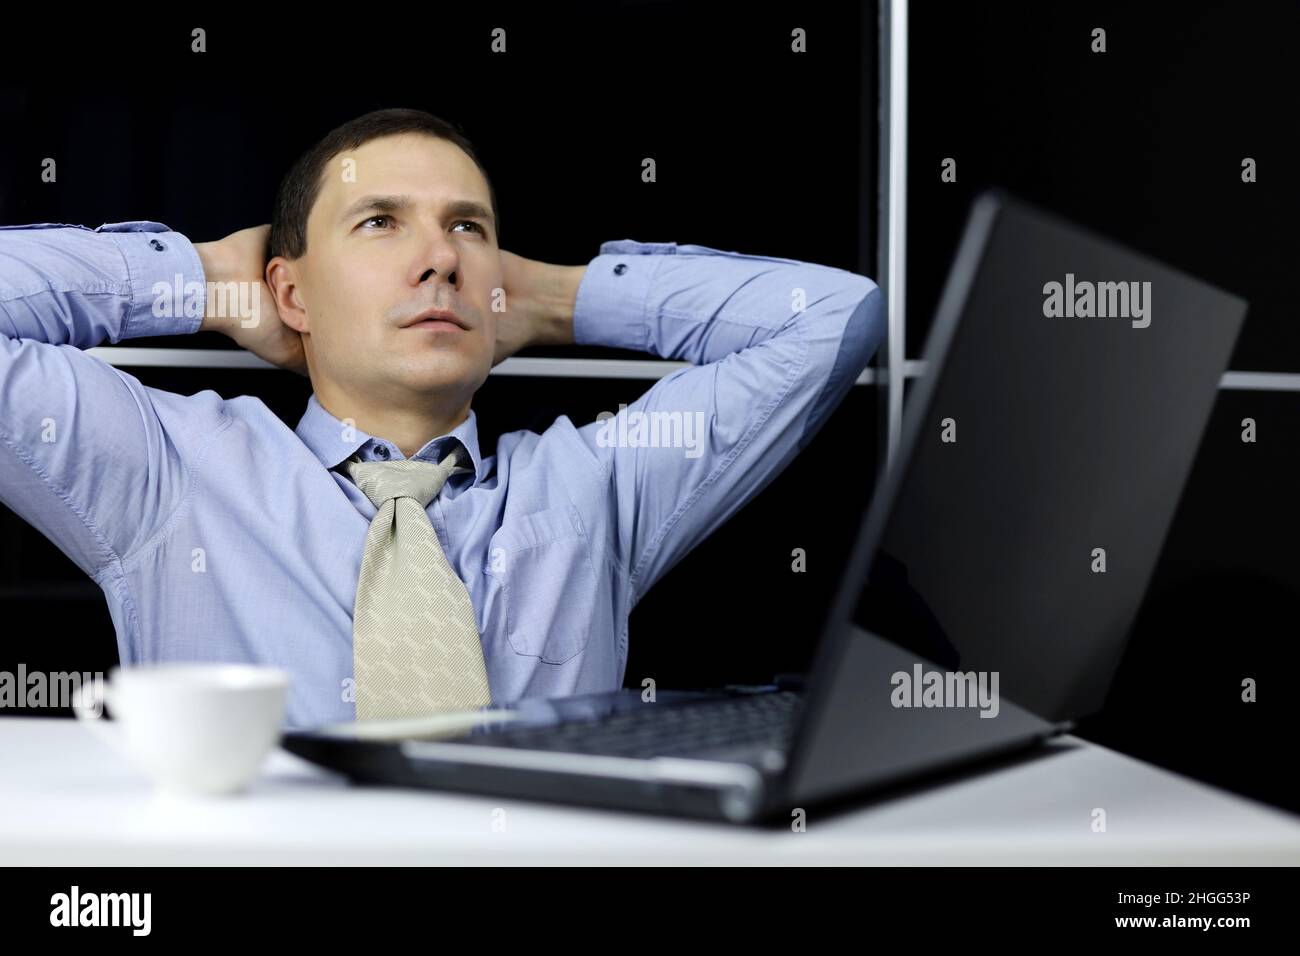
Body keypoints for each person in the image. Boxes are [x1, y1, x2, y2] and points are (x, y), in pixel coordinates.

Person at [0, 108, 884, 730]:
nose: (437, 260)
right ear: (292, 291)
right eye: (381, 222)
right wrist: (196, 278)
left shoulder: (597, 488)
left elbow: (832, 317)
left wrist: (558, 298)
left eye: (467, 228)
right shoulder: (175, 473)